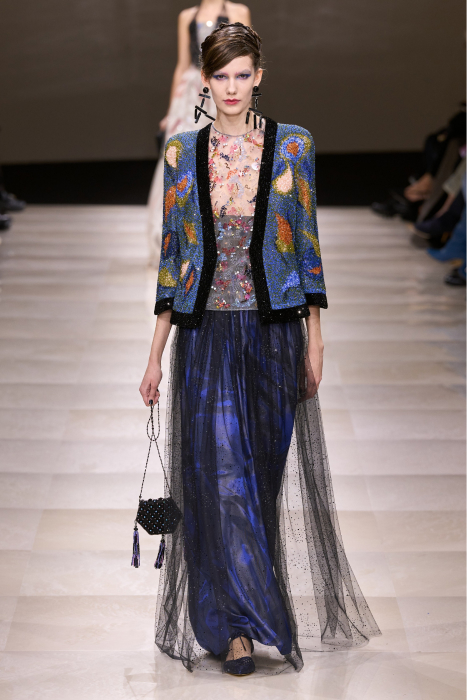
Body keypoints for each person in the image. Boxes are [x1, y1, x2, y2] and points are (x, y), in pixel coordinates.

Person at [139, 23, 381, 676]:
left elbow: (305, 245)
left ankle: (243, 611)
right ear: (205, 80)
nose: (231, 88)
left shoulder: (293, 145)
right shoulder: (181, 153)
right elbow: (174, 258)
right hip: (204, 337)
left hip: (274, 335)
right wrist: (155, 353)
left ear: (259, 76)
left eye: (242, 74)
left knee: (260, 479)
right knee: (220, 482)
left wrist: (315, 340)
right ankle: (237, 629)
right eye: (220, 76)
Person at [146, 1, 251, 268]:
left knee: (224, 160)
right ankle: (176, 240)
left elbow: (246, 64)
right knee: (181, 161)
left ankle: (225, 240)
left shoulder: (238, 13)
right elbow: (183, 64)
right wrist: (170, 111)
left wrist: (245, 107)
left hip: (224, 89)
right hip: (190, 96)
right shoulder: (187, 16)